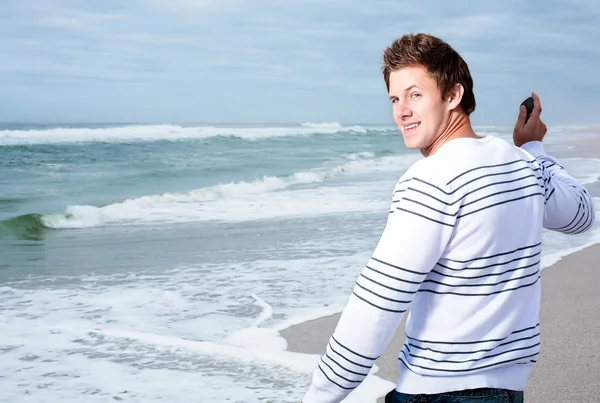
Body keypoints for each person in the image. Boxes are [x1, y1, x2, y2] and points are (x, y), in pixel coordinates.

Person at [300, 33, 595, 403]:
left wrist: (319, 396)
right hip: (506, 391)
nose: (401, 111)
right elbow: (580, 214)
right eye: (395, 98)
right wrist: (534, 148)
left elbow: (378, 300)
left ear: (453, 96)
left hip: (438, 392)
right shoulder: (522, 165)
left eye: (415, 94)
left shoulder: (431, 180)